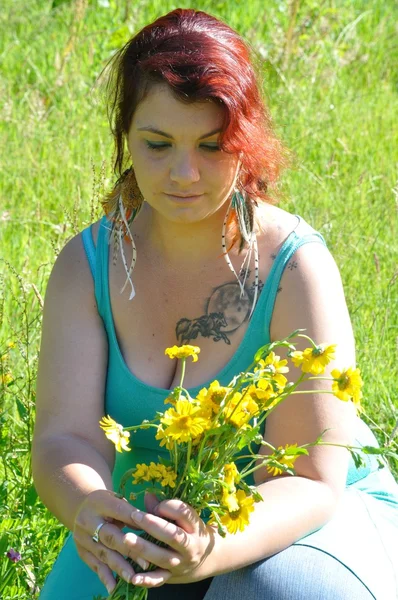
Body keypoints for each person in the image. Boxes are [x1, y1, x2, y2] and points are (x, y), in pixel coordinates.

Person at [32, 8, 398, 600]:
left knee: (279, 590)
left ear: (246, 141)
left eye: (211, 145)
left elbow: (311, 480)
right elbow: (64, 437)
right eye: (158, 144)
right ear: (125, 134)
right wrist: (91, 509)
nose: (184, 172)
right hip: (140, 525)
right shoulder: (89, 264)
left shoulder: (294, 266)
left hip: (302, 526)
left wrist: (208, 552)